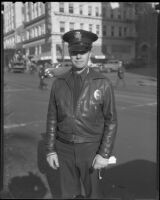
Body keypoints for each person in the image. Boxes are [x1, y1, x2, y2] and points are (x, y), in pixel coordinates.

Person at [45, 29, 118, 199]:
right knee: (69, 194)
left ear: (90, 52)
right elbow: (52, 118)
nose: (78, 56)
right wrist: (50, 150)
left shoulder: (102, 83)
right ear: (69, 53)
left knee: (94, 194)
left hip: (91, 149)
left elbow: (111, 121)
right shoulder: (59, 83)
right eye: (74, 52)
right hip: (64, 150)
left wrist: (103, 153)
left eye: (83, 52)